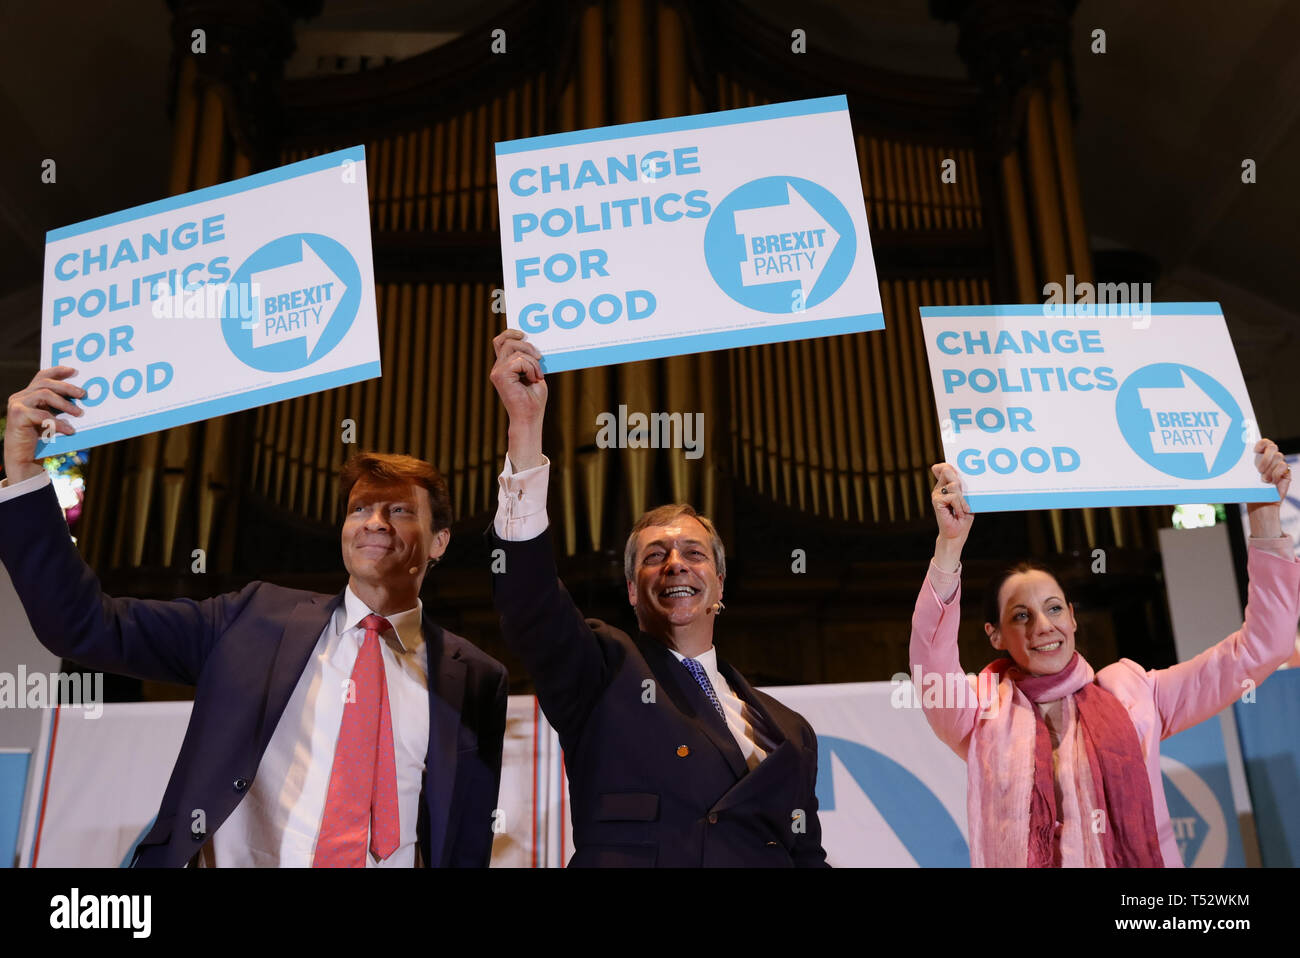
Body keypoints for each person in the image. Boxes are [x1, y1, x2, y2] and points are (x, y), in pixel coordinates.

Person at [0, 366, 507, 867]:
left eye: (397, 510)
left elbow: (464, 837)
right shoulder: (251, 620)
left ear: (439, 541)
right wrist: (24, 473)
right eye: (359, 509)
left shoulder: (476, 677)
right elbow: (85, 626)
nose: (373, 522)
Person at [487, 329, 827, 867]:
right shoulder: (601, 671)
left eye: (693, 552)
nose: (675, 563)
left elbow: (807, 857)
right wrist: (525, 428)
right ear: (631, 590)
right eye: (653, 556)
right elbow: (527, 599)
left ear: (718, 583)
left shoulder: (792, 730)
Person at [911, 446, 1300, 867]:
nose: (1043, 625)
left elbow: (1264, 647)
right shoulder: (977, 711)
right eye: (1021, 615)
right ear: (996, 636)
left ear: (1073, 619)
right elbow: (930, 664)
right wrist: (949, 548)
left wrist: (1263, 517)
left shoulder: (1136, 694)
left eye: (1054, 607)